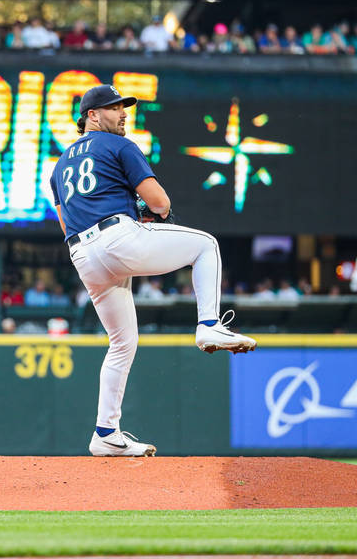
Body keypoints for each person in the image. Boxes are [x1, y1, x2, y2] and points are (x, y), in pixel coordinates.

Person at [50, 84, 257, 457]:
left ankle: (106, 433)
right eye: (114, 108)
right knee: (205, 245)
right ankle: (209, 326)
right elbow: (160, 202)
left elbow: (66, 223)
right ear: (92, 116)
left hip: (82, 255)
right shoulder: (119, 146)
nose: (123, 113)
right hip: (117, 239)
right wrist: (152, 215)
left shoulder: (60, 164)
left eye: (123, 107)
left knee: (122, 343)